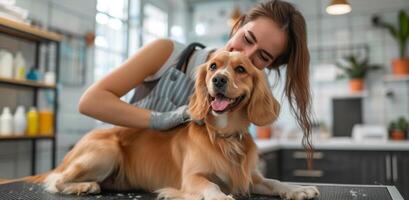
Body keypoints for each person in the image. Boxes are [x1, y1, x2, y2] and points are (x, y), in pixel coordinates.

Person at [78, 0, 312, 159]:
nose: (246, 55)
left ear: (270, 65)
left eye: (263, 56)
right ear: (238, 25)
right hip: (118, 161)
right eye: (247, 38)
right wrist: (163, 119)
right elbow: (90, 102)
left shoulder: (250, 90)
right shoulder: (166, 52)